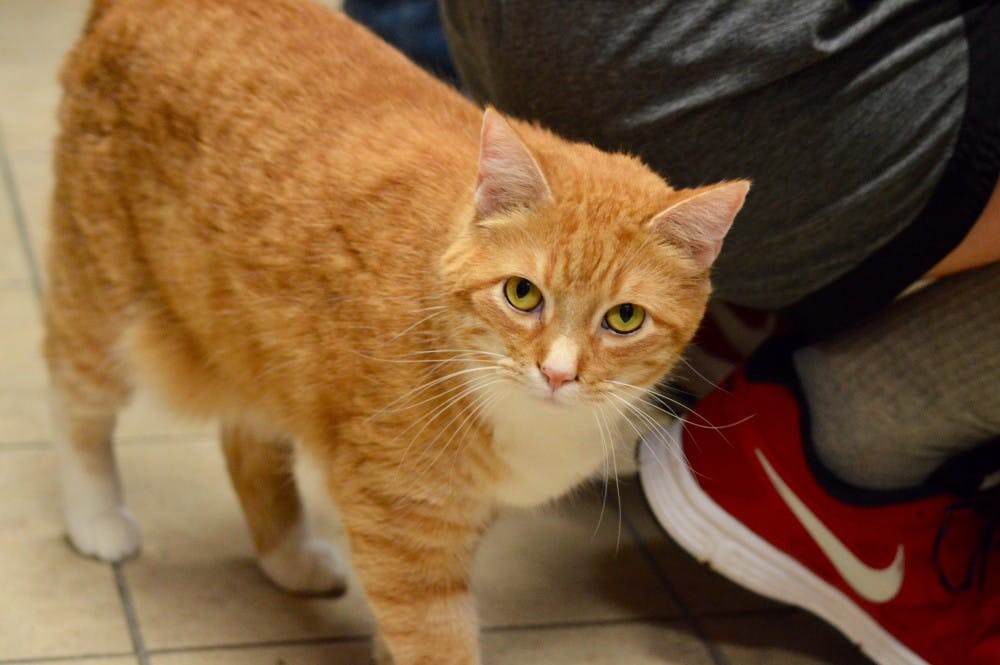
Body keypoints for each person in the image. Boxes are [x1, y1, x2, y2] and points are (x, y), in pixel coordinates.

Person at [437, 2, 999, 664]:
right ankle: (843, 439)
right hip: (738, 82)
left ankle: (753, 329)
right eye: (525, 295)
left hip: (508, 41)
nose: (559, 366)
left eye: (621, 317)